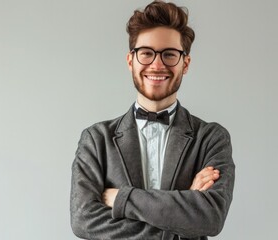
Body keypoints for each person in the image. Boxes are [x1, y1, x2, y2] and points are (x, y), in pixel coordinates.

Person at [70, 1, 235, 239]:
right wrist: (182, 216)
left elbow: (210, 218)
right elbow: (83, 221)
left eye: (169, 54)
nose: (157, 65)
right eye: (146, 53)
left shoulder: (211, 138)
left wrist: (121, 198)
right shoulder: (95, 140)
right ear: (131, 60)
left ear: (185, 64)